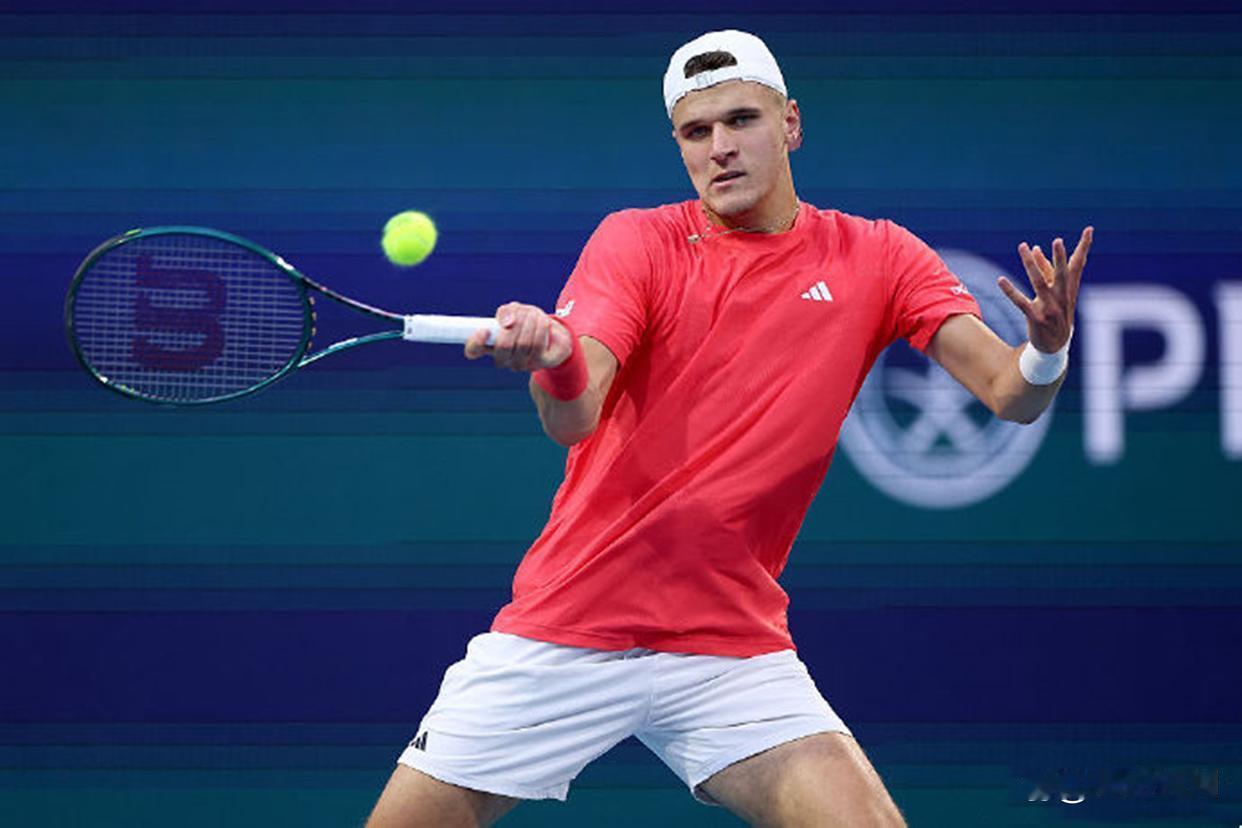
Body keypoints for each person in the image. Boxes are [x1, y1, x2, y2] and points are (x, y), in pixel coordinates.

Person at [367, 29, 1092, 828]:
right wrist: (556, 360)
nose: (720, 148)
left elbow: (1010, 394)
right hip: (571, 627)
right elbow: (573, 417)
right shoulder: (637, 241)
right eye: (696, 131)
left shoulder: (879, 257)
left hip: (728, 648)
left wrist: (1047, 350)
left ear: (791, 124)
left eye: (742, 120)